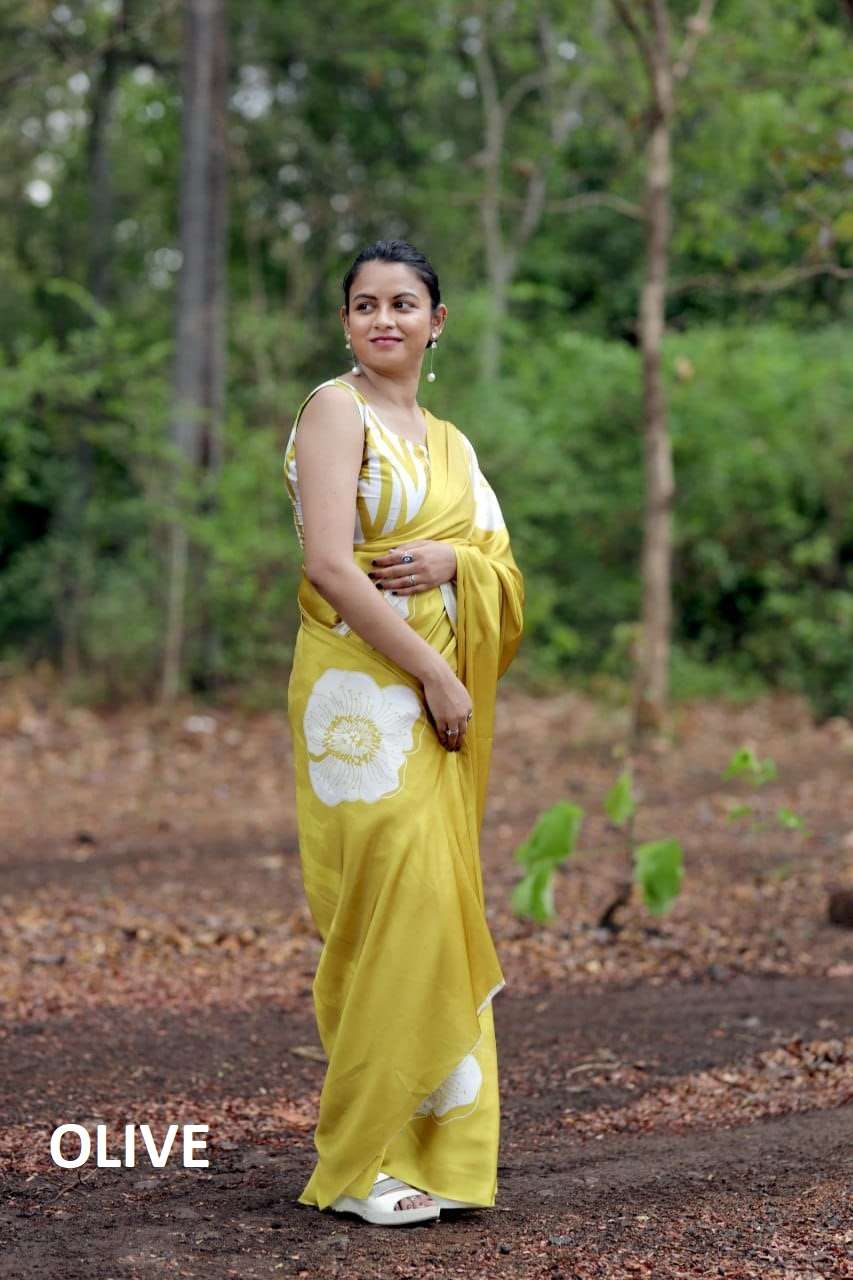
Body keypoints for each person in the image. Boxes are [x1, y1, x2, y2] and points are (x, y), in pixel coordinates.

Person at [282, 239, 524, 1226]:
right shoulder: (334, 410)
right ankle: (356, 1162)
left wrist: (453, 564)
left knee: (432, 904)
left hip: (433, 704)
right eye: (364, 304)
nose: (383, 318)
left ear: (436, 320)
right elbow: (330, 564)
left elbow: (497, 562)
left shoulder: (452, 444)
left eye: (403, 303)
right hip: (359, 703)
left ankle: (435, 1155)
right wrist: (434, 672)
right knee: (388, 904)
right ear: (345, 322)